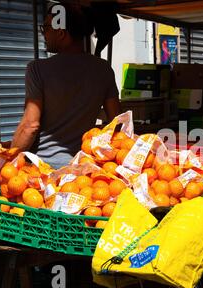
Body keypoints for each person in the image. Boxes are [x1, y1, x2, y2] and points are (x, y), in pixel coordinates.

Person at [9, 4, 121, 169]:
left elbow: (30, 126)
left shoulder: (37, 69)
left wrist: (9, 159)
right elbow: (117, 123)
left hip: (42, 170)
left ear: (61, 33)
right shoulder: (104, 69)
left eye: (46, 28)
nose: (43, 34)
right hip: (83, 167)